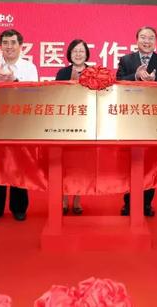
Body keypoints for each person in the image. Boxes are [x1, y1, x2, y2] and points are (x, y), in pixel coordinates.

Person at [0, 29, 38, 223]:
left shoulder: (29, 67)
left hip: (20, 123)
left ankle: (19, 207)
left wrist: (14, 81)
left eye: (13, 42)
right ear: (0, 46)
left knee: (19, 165)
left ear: (20, 46)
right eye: (5, 43)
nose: (9, 46)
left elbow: (35, 94)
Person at [116, 26, 157, 217]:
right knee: (129, 162)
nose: (146, 41)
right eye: (143, 37)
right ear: (136, 40)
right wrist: (135, 76)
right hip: (130, 118)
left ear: (156, 41)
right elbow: (117, 83)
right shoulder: (126, 60)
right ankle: (128, 203)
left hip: (152, 120)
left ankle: (147, 203)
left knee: (150, 163)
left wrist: (155, 81)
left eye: (150, 38)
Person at [55, 39, 90, 215]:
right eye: (75, 51)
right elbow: (57, 96)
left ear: (86, 54)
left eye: (81, 51)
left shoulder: (94, 72)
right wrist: (70, 84)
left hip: (86, 122)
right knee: (64, 163)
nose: (78, 54)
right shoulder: (62, 72)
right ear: (70, 53)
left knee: (80, 163)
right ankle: (63, 199)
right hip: (66, 123)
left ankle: (77, 199)